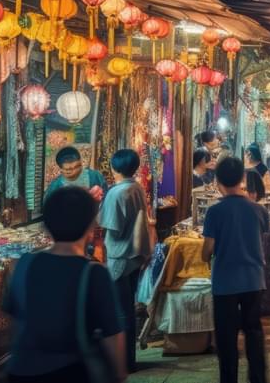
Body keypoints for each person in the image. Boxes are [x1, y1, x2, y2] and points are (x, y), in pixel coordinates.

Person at [3, 187, 127, 383]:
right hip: (69, 372)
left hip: (20, 371)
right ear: (90, 226)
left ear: (46, 225)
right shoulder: (93, 273)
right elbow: (112, 333)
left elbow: (14, 320)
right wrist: (119, 374)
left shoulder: (24, 263)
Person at [202, 158, 269, 383]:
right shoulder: (259, 210)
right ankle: (258, 378)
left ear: (217, 180)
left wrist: (206, 255)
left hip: (225, 283)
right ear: (242, 178)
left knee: (226, 337)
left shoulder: (214, 212)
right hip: (253, 280)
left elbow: (207, 249)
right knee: (254, 332)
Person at [99, 149, 151, 373]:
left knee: (121, 311)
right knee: (127, 308)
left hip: (120, 257)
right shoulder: (136, 187)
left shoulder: (117, 193)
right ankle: (129, 358)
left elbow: (113, 227)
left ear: (114, 168)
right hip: (134, 256)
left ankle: (125, 362)